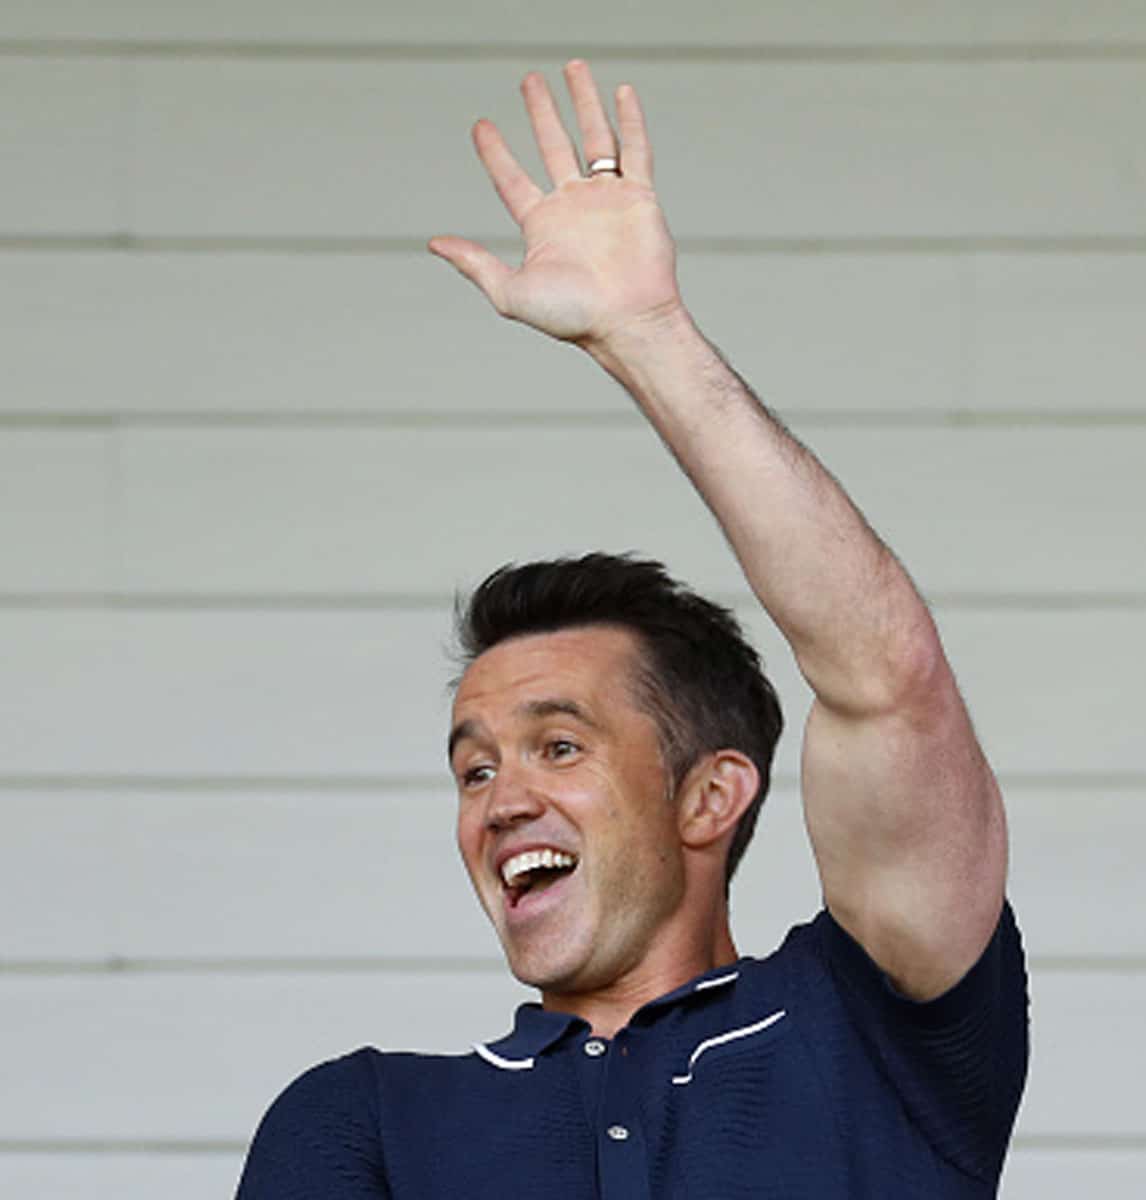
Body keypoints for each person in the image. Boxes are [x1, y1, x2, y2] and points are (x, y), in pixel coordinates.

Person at [236, 60, 1028, 1198]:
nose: (501, 799)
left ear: (711, 794)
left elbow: (885, 678)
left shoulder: (875, 1039)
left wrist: (645, 334)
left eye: (559, 746)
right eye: (473, 769)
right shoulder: (367, 1118)